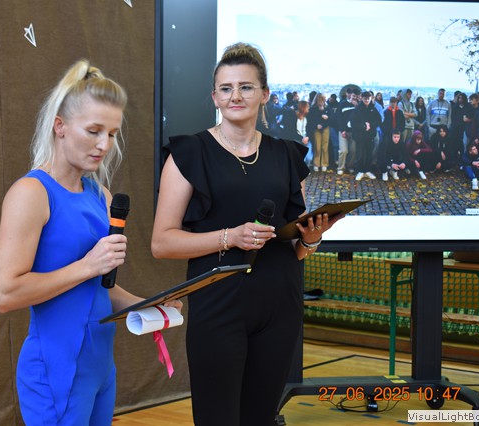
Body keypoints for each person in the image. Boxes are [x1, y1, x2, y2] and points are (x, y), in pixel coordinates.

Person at [151, 42, 341, 426]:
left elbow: (295, 246)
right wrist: (230, 237)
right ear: (214, 97)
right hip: (218, 304)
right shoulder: (189, 153)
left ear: (265, 94)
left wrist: (311, 238)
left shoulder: (286, 155)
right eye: (226, 88)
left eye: (246, 87)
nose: (235, 96)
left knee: (261, 418)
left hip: (280, 304)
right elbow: (162, 243)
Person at [0, 59, 181, 425]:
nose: (104, 145)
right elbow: (5, 294)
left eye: (112, 134)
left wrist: (150, 306)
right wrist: (87, 265)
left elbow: (96, 288)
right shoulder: (31, 193)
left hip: (99, 368)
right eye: (94, 131)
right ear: (60, 126)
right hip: (55, 371)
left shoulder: (101, 195)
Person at [351, 91, 381, 181]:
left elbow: (379, 120)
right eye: (365, 98)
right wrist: (364, 126)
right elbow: (353, 123)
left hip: (370, 135)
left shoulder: (373, 109)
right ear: (362, 98)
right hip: (360, 135)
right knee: (360, 153)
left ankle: (367, 170)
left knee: (369, 153)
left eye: (368, 98)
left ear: (371, 98)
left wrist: (370, 125)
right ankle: (360, 171)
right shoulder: (357, 109)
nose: (367, 100)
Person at [307, 92, 332, 171]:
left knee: (325, 146)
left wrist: (326, 118)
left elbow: (331, 118)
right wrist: (316, 125)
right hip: (316, 128)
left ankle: (324, 163)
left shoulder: (327, 107)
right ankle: (316, 163)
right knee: (317, 146)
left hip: (325, 128)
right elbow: (311, 120)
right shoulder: (313, 108)